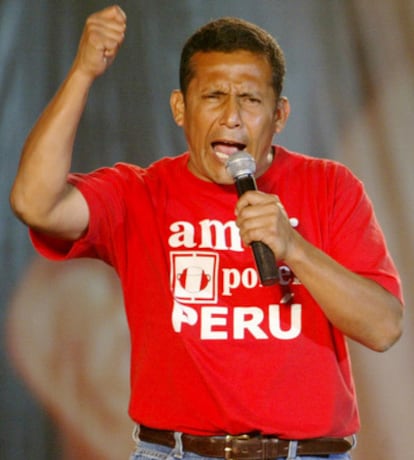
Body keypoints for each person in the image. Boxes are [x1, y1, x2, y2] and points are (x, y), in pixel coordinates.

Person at [10, 5, 404, 460]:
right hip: (177, 452)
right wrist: (82, 72)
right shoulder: (139, 194)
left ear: (280, 115)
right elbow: (32, 203)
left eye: (251, 100)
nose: (232, 116)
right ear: (180, 108)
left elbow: (384, 328)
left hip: (309, 454)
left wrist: (293, 247)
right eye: (214, 95)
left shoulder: (331, 187)